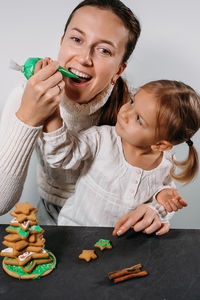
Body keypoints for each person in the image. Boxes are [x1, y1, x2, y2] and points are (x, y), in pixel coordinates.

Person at [0, 0, 186, 233]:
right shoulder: (25, 97)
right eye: (77, 39)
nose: (84, 58)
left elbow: (159, 179)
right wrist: (29, 116)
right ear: (61, 43)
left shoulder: (130, 110)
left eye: (104, 50)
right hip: (53, 219)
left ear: (118, 70)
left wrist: (156, 209)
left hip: (114, 224)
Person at [40, 79, 199, 235]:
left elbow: (163, 201)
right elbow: (60, 156)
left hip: (122, 243)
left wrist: (160, 201)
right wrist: (53, 114)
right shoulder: (100, 138)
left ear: (160, 145)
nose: (125, 113)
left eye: (138, 119)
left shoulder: (165, 165)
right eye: (131, 102)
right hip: (74, 230)